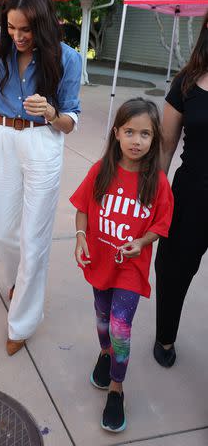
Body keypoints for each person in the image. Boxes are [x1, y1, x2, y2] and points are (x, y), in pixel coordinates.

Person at [0, 0, 82, 356]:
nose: (17, 36)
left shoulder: (67, 58)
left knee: (34, 237)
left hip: (43, 143)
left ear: (43, 24)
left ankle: (22, 321)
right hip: (3, 138)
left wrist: (50, 112)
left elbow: (71, 120)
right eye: (11, 28)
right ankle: (17, 280)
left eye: (25, 29)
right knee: (3, 232)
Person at [70, 98, 174, 432]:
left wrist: (142, 242)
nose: (136, 140)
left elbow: (160, 225)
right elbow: (82, 207)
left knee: (119, 327)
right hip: (100, 260)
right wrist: (80, 236)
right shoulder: (100, 171)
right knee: (102, 317)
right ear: (116, 133)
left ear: (154, 138)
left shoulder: (157, 181)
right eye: (129, 131)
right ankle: (104, 354)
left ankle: (117, 388)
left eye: (145, 134)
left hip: (131, 267)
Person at [153, 11, 208, 368]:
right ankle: (165, 336)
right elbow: (165, 148)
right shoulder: (187, 82)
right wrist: (152, 198)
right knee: (173, 269)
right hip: (192, 195)